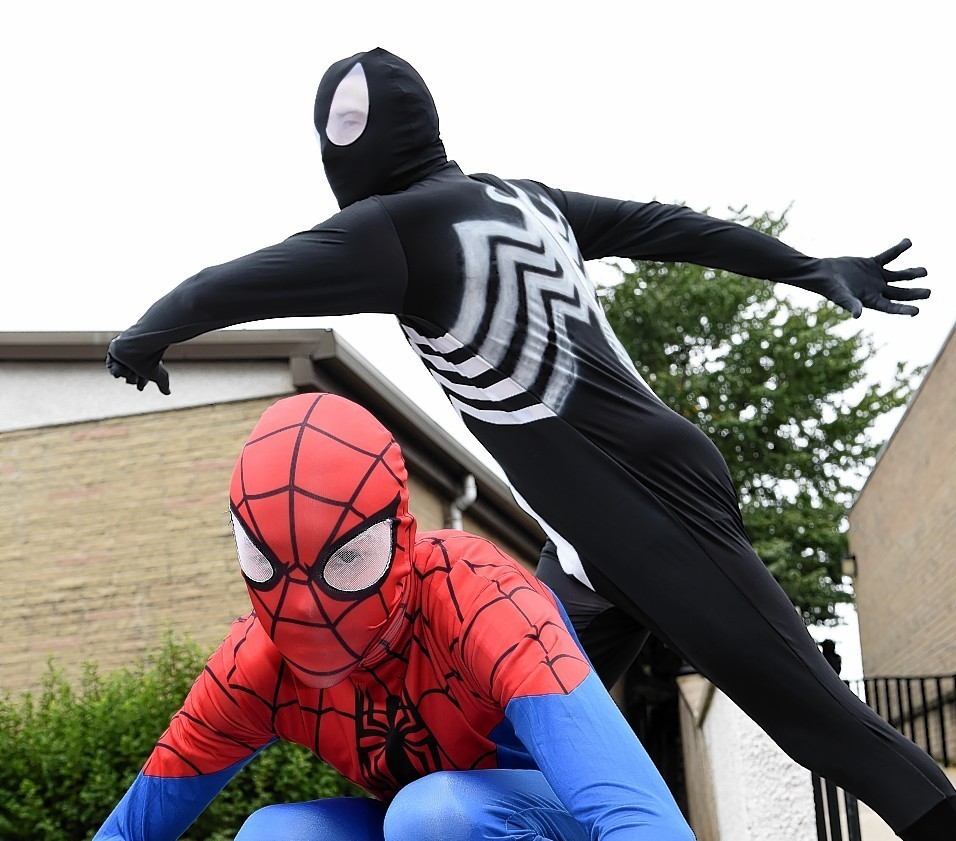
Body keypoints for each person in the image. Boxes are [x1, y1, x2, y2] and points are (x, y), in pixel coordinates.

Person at [104, 48, 955, 839]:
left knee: (817, 718)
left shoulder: (389, 230)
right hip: (588, 540)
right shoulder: (525, 198)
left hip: (647, 505)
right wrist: (808, 265)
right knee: (503, 742)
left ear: (344, 150)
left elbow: (239, 281)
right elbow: (665, 224)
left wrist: (146, 334)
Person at [93, 392, 693, 841]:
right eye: (266, 563)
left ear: (400, 536)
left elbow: (639, 815)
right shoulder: (257, 664)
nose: (309, 607)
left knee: (434, 815)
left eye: (350, 560)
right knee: (276, 836)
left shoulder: (478, 600)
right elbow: (128, 832)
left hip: (546, 817)